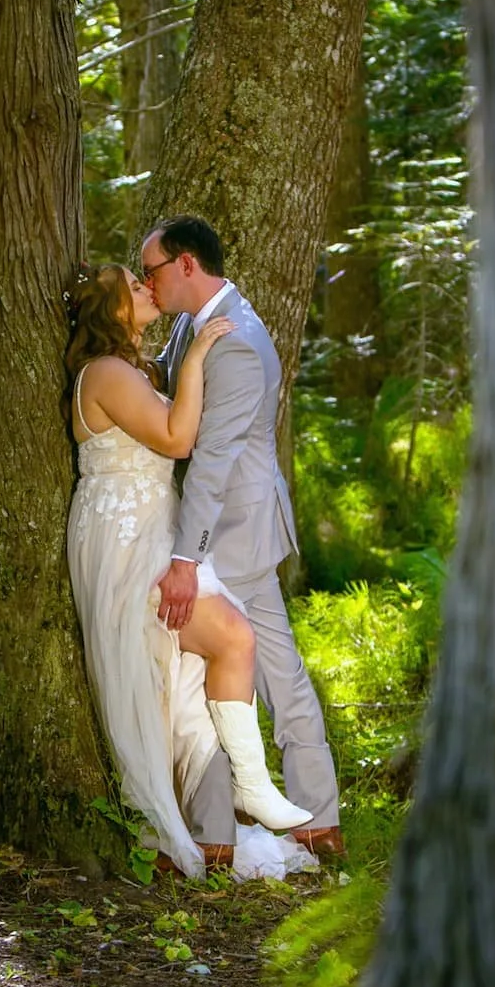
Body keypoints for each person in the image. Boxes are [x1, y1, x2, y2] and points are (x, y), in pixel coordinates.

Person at [64, 263, 318, 879]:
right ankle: (249, 788)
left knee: (190, 670)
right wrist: (201, 350)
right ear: (111, 311)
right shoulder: (104, 373)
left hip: (154, 530)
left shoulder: (132, 371)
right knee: (232, 635)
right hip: (127, 540)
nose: (146, 288)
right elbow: (180, 439)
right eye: (133, 284)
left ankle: (219, 819)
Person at [142, 215, 343, 862]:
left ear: (188, 266)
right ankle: (222, 826)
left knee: (277, 675)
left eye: (153, 269)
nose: (149, 280)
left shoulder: (234, 341)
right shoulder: (189, 326)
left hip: (239, 532)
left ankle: (315, 821)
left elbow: (212, 459)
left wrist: (182, 558)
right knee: (225, 670)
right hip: (213, 527)